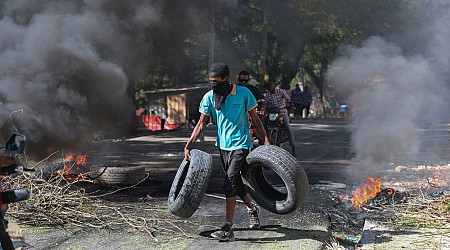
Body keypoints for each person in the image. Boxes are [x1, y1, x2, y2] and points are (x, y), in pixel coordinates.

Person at [184, 62, 270, 242]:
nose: (213, 84)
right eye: (211, 81)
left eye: (216, 81)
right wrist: (188, 144)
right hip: (223, 146)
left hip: (242, 144)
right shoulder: (209, 97)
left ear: (226, 79)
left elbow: (255, 120)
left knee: (229, 180)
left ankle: (227, 228)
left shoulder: (244, 93)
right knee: (236, 184)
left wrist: (266, 141)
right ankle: (253, 208)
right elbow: (201, 124)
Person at [265, 79, 296, 156]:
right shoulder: (267, 95)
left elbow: (288, 99)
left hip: (282, 112)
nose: (270, 87)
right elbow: (265, 104)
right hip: (272, 113)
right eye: (268, 85)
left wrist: (291, 104)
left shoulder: (281, 91)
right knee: (266, 126)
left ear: (275, 86)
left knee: (288, 127)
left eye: (271, 85)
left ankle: (293, 146)